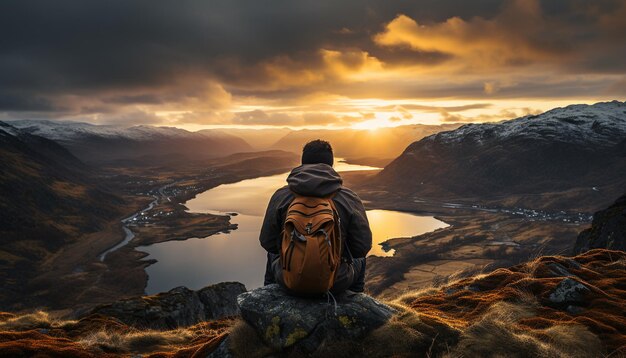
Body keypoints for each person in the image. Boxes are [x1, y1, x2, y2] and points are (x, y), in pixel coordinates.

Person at [259, 139, 372, 294]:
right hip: (335, 281)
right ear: (331, 164)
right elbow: (361, 247)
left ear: (302, 162)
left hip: (287, 278)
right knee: (360, 260)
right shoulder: (349, 197)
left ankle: (268, 301)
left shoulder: (281, 195)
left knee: (273, 255)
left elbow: (267, 242)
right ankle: (356, 302)